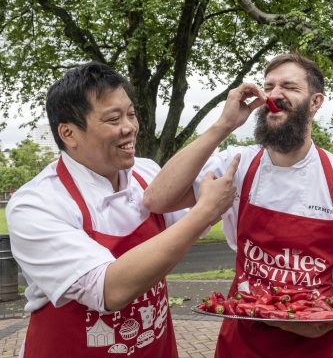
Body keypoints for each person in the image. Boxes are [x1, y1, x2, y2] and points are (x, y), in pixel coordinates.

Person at [144, 53, 333, 358]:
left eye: (290, 87)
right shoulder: (236, 165)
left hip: (315, 344)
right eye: (269, 86)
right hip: (241, 343)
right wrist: (223, 125)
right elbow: (157, 199)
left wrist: (322, 320)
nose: (276, 94)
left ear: (315, 102)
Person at [6, 62, 239, 357]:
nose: (129, 127)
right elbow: (108, 290)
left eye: (131, 114)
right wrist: (204, 211)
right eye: (113, 119)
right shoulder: (36, 204)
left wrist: (227, 130)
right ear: (68, 133)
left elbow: (198, 204)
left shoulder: (147, 173)